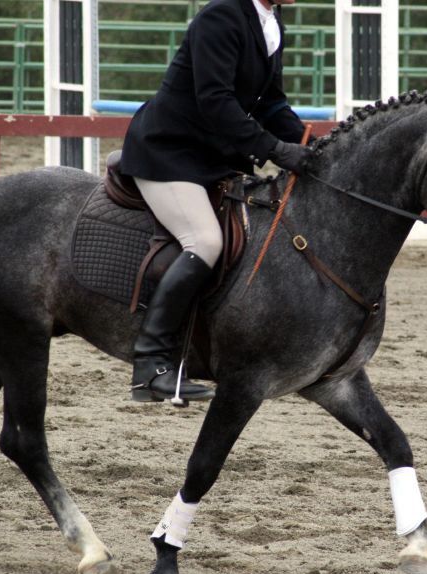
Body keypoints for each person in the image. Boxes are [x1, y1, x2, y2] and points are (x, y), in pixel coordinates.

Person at [120, 0, 313, 403]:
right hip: (170, 152)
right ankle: (151, 365)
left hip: (214, 157)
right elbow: (215, 99)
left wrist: (308, 144)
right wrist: (275, 150)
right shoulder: (221, 15)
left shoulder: (272, 21)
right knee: (205, 241)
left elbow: (271, 102)